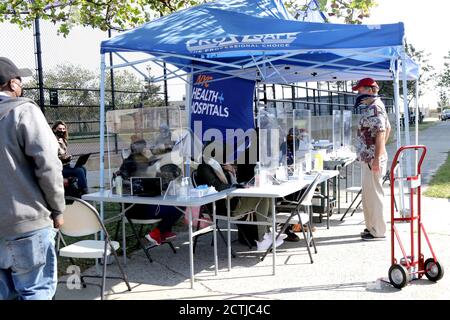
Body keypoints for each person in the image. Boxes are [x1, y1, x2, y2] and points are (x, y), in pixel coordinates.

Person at [0, 57, 65, 300]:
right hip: (27, 223)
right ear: (12, 83)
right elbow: (48, 165)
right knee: (35, 290)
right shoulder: (23, 110)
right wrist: (58, 209)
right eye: (20, 81)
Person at [195, 145, 287, 251]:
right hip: (223, 205)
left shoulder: (217, 166)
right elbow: (217, 187)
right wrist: (237, 186)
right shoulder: (204, 167)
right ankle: (262, 239)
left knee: (266, 196)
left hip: (232, 199)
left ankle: (269, 232)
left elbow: (230, 182)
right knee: (262, 198)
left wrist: (232, 171)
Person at [119, 139, 183, 245]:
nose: (147, 150)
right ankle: (157, 233)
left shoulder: (144, 162)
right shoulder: (131, 164)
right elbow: (127, 184)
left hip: (143, 205)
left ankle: (164, 231)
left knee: (175, 203)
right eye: (145, 148)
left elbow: (156, 184)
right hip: (137, 208)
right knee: (179, 206)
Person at [352, 78, 391, 241]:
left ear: (369, 89)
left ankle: (378, 231)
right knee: (369, 195)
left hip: (372, 159)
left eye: (360, 90)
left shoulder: (375, 108)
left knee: (374, 195)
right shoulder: (373, 106)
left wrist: (377, 157)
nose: (358, 93)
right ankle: (372, 227)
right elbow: (388, 129)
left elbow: (382, 132)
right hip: (369, 157)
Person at [52, 120, 89, 195]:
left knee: (83, 168)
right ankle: (84, 190)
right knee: (79, 171)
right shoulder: (52, 141)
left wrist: (67, 157)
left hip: (66, 165)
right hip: (58, 168)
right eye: (59, 129)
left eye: (63, 129)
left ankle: (81, 188)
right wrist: (63, 158)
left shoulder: (63, 140)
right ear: (54, 130)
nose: (62, 131)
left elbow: (63, 154)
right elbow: (53, 157)